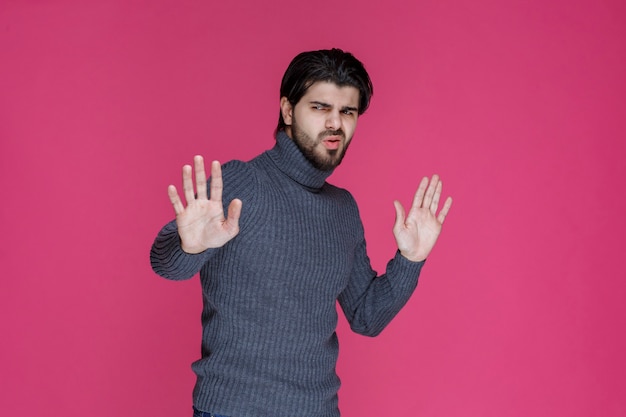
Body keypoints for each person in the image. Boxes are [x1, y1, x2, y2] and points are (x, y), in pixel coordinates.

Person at [150, 48, 452, 417]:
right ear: (288, 110)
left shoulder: (343, 209)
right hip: (232, 410)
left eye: (347, 111)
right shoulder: (241, 181)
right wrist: (189, 246)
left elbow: (367, 317)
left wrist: (411, 260)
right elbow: (165, 265)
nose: (335, 124)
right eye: (320, 107)